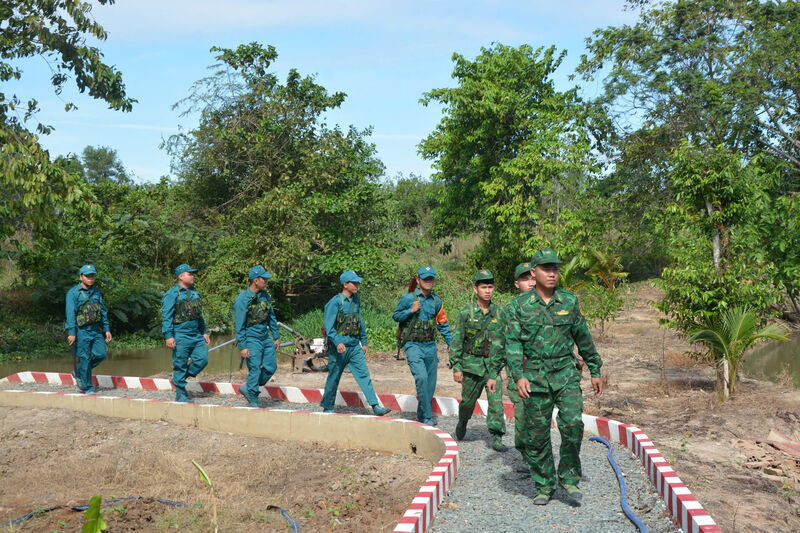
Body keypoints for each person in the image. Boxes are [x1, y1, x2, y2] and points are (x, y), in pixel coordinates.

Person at [504, 249, 603, 505]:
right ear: (533, 273)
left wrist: (594, 370)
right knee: (537, 435)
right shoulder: (519, 306)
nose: (552, 273)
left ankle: (569, 478)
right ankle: (544, 484)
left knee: (572, 425)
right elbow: (513, 344)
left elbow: (584, 338)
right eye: (546, 269)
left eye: (555, 269)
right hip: (534, 376)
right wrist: (518, 375)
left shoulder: (569, 302)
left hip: (565, 374)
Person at [449, 270, 507, 451]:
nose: (487, 291)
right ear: (476, 289)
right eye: (483, 287)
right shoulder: (466, 313)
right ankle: (462, 421)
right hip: (471, 366)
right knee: (467, 403)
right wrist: (456, 367)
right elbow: (457, 341)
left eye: (490, 287)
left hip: (492, 367)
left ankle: (497, 436)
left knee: (496, 402)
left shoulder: (500, 312)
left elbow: (505, 340)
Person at [321, 270, 391, 416]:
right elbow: (329, 327)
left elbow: (360, 322)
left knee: (364, 375)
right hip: (339, 348)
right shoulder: (335, 302)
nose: (357, 285)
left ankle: (375, 406)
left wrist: (363, 341)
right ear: (345, 284)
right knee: (334, 377)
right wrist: (337, 342)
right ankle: (327, 406)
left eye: (357, 282)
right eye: (354, 282)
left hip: (354, 346)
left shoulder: (356, 301)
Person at [487, 262, 536, 460]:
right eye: (525, 279)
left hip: (546, 374)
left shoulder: (550, 305)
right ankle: (526, 457)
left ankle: (540, 460)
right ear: (517, 284)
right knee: (523, 418)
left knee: (539, 421)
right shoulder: (510, 311)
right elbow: (499, 344)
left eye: (532, 278)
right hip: (520, 373)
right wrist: (492, 374)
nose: (531, 283)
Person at [392, 266, 453, 425]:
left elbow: (443, 324)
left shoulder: (436, 301)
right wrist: (411, 311)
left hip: (430, 346)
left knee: (430, 385)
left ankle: (421, 413)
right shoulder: (408, 298)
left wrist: (451, 343)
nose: (428, 282)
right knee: (421, 377)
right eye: (425, 279)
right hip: (412, 345)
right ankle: (427, 418)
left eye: (430, 279)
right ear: (418, 280)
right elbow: (396, 316)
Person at [161, 264, 210, 402]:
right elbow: (167, 316)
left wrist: (204, 332)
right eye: (190, 274)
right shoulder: (171, 294)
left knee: (202, 359)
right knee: (180, 363)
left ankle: (178, 379)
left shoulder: (195, 293)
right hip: (180, 333)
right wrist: (168, 336)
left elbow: (199, 315)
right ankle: (181, 393)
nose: (193, 276)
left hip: (195, 333)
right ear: (180, 276)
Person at [234, 265, 281, 408]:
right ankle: (253, 397)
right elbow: (239, 324)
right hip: (251, 336)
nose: (266, 281)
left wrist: (276, 336)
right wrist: (243, 346)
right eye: (264, 279)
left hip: (264, 335)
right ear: (255, 280)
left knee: (271, 366)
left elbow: (271, 317)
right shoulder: (243, 299)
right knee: (254, 367)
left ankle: (248, 386)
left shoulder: (265, 295)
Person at [65, 264, 112, 394]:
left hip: (95, 329)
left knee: (101, 354)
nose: (91, 278)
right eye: (88, 276)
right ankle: (87, 387)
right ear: (81, 277)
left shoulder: (96, 291)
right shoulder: (73, 293)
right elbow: (70, 314)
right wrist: (72, 333)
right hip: (81, 330)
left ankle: (80, 372)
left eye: (93, 275)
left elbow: (102, 311)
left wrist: (106, 329)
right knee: (84, 358)